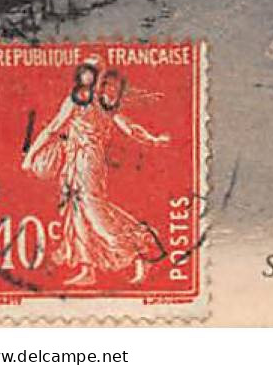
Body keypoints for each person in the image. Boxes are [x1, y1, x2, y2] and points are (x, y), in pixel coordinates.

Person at [22, 59, 171, 286]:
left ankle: (139, 252)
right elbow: (53, 128)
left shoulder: (103, 104)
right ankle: (87, 269)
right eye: (87, 73)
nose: (91, 80)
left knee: (94, 212)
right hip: (74, 163)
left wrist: (153, 139)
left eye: (95, 75)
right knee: (77, 213)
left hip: (88, 164)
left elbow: (129, 127)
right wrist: (32, 155)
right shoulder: (77, 101)